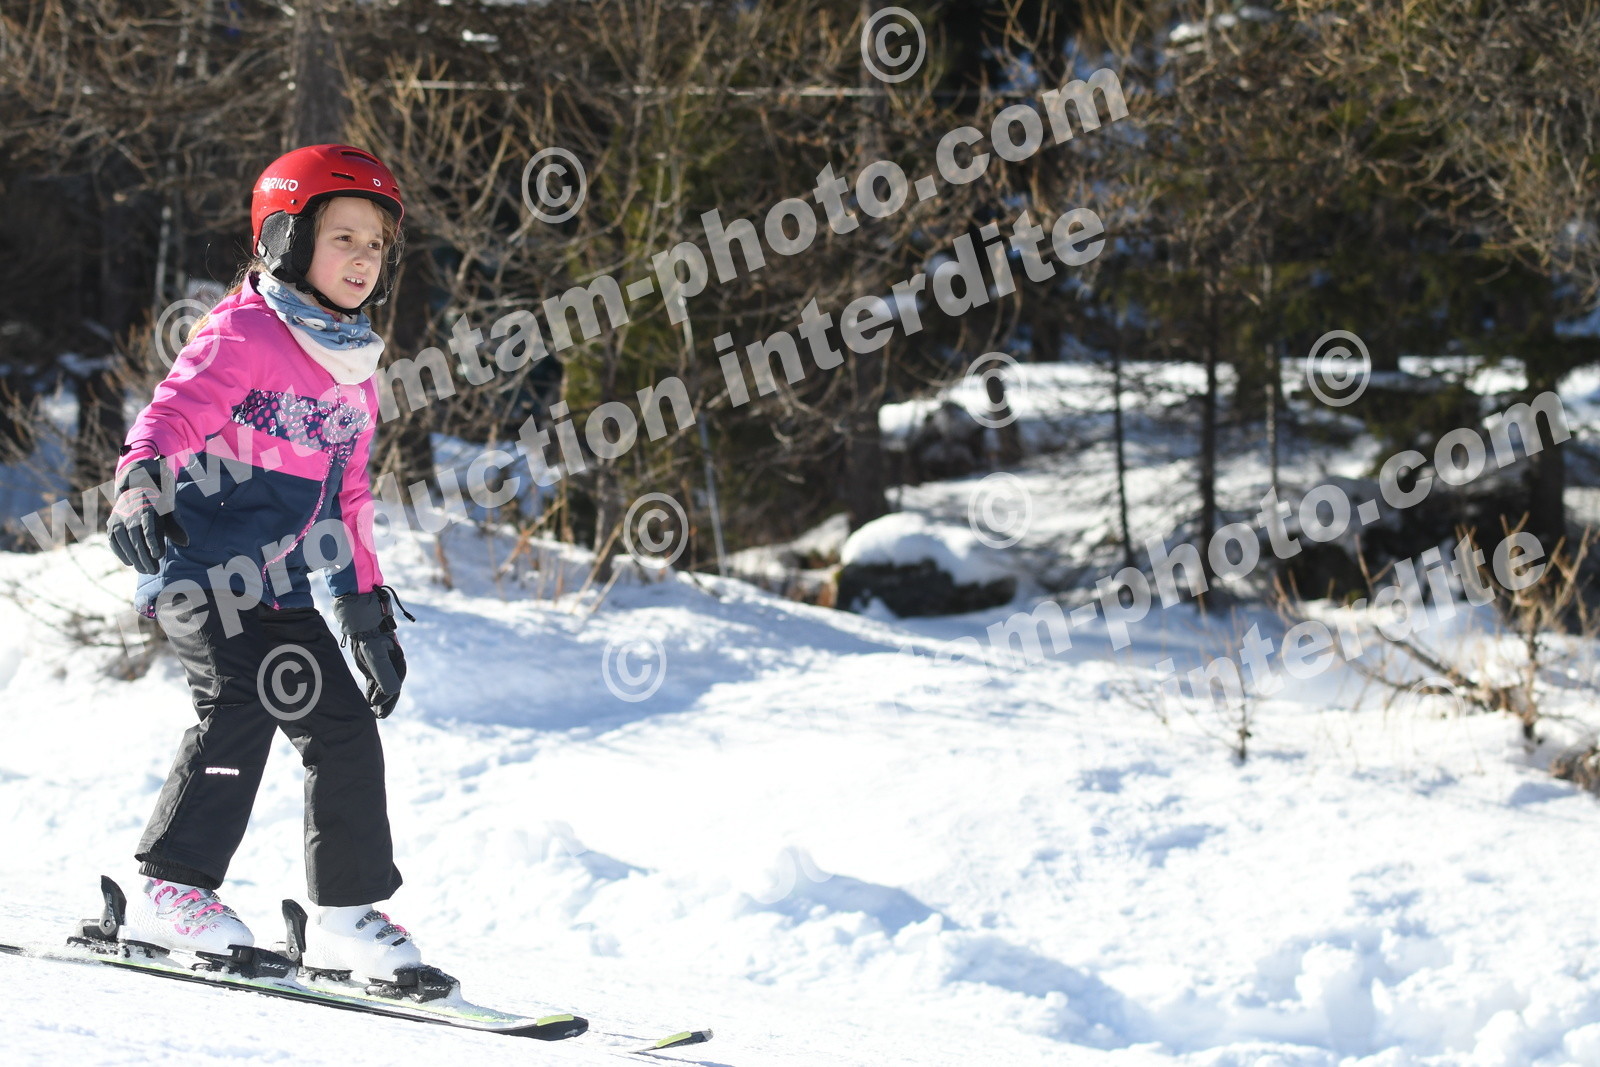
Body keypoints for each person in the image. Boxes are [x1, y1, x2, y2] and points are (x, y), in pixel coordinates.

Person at [104, 144, 422, 982]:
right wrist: (138, 484)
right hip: (199, 571)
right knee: (238, 700)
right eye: (343, 237)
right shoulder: (242, 330)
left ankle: (348, 914)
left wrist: (364, 611)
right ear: (287, 239)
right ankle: (171, 887)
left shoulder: (354, 368)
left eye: (375, 244)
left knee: (343, 726)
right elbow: (170, 417)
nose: (363, 258)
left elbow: (348, 500)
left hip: (277, 587)